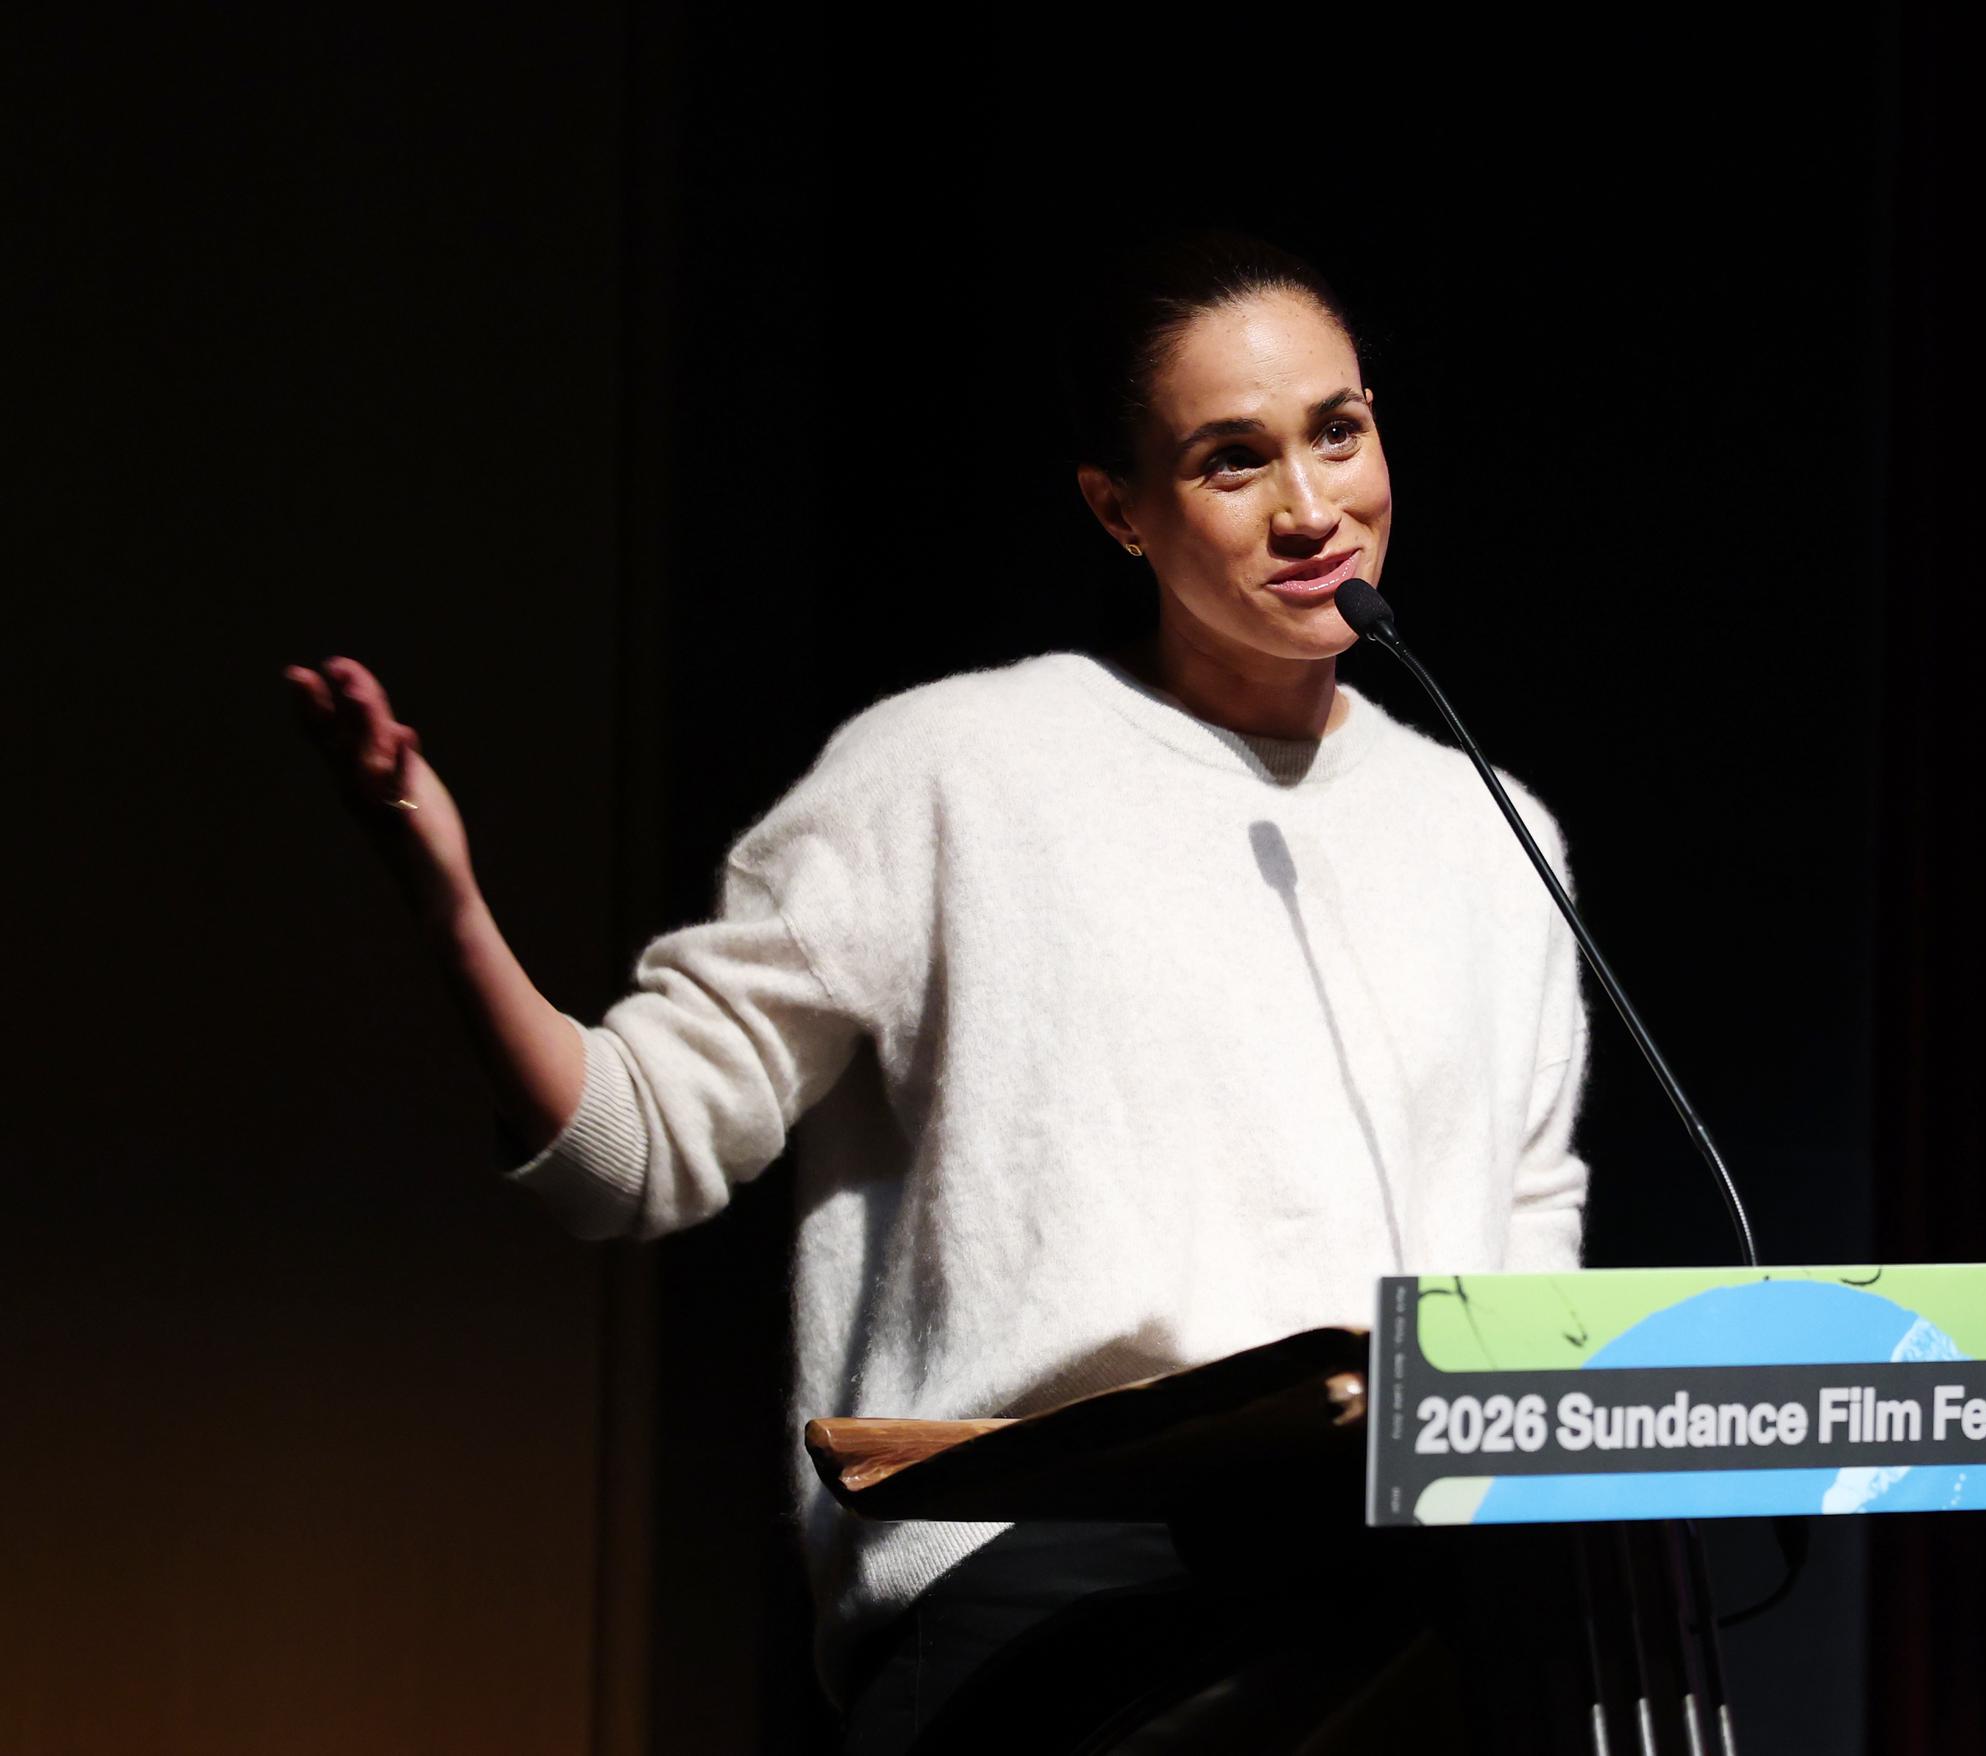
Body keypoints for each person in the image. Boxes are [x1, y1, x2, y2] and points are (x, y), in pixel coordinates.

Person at [285, 231, 1593, 1751]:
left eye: (1336, 432)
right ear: (1121, 509)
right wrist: (449, 906)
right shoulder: (951, 772)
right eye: (1232, 462)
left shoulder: (1492, 831)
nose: (1312, 508)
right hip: (1059, 1616)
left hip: (1414, 1616)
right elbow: (631, 1152)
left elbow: (1524, 1269)